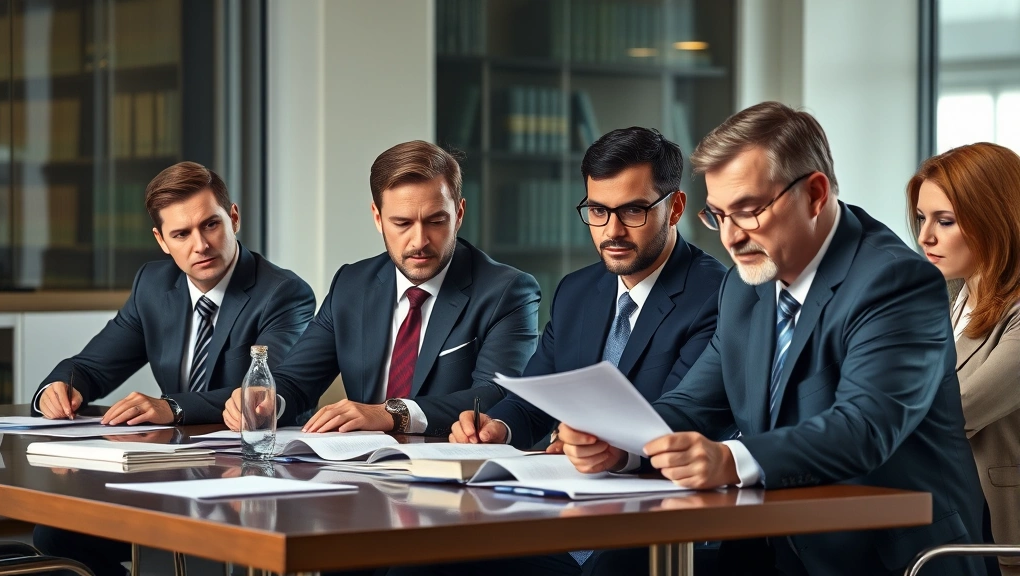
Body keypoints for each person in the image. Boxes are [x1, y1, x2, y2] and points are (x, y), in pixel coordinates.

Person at [558, 102, 987, 576]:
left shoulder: (896, 281)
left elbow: (863, 428)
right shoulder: (745, 284)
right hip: (777, 549)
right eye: (717, 215)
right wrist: (621, 442)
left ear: (815, 194)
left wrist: (730, 460)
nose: (730, 238)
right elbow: (695, 403)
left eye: (747, 212)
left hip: (894, 557)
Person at [390, 127, 726, 576]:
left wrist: (607, 446)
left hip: (651, 525)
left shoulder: (716, 295)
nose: (612, 231)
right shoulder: (577, 291)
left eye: (633, 210)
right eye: (598, 211)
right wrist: (497, 427)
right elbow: (533, 396)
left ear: (676, 207)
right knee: (422, 558)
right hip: (564, 517)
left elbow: (686, 415)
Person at [32, 161, 316, 576]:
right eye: (181, 234)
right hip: (173, 473)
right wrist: (60, 387)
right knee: (58, 534)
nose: (200, 245)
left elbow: (267, 393)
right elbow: (92, 366)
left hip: (255, 477)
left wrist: (173, 407)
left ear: (234, 218)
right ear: (162, 241)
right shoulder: (154, 285)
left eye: (211, 225)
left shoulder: (283, 293)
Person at [223, 140, 541, 438]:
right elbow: (296, 380)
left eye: (436, 221)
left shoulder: (507, 292)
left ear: (458, 214)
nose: (419, 241)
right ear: (378, 218)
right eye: (402, 223)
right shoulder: (351, 284)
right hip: (360, 466)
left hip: (450, 465)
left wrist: (392, 414)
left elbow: (498, 394)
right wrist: (265, 401)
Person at [909, 142, 1020, 576]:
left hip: (1000, 534)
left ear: (995, 219)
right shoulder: (948, 299)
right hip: (947, 521)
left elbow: (954, 413)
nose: (925, 237)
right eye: (922, 218)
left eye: (945, 221)